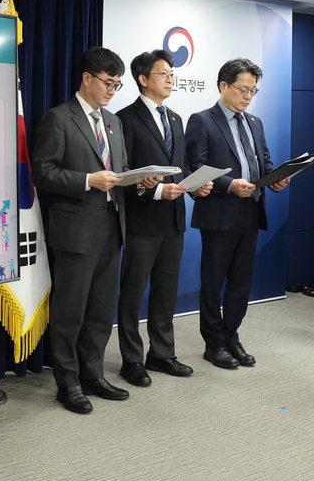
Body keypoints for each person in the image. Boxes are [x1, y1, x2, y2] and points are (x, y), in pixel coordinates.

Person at [31, 46, 136, 414]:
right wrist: (89, 179)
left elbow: (119, 171)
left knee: (101, 311)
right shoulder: (59, 118)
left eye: (117, 85)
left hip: (111, 228)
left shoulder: (114, 122)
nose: (112, 91)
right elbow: (42, 173)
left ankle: (93, 374)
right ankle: (68, 383)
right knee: (70, 312)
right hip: (75, 232)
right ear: (87, 78)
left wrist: (138, 179)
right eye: (108, 83)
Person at [184, 58, 290, 370]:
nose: (248, 96)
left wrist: (275, 178)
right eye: (243, 89)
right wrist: (229, 185)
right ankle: (213, 343)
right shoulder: (202, 120)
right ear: (223, 86)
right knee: (213, 280)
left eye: (253, 91)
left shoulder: (255, 122)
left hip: (251, 210)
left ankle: (231, 336)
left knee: (241, 281)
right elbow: (195, 168)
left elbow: (264, 162)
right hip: (219, 212)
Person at [116, 49, 213, 387]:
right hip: (142, 220)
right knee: (132, 294)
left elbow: (179, 165)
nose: (171, 79)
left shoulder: (174, 117)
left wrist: (194, 186)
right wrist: (157, 191)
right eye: (163, 74)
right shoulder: (124, 119)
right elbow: (123, 173)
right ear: (143, 79)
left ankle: (161, 353)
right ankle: (131, 360)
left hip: (173, 219)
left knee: (165, 291)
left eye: (172, 74)